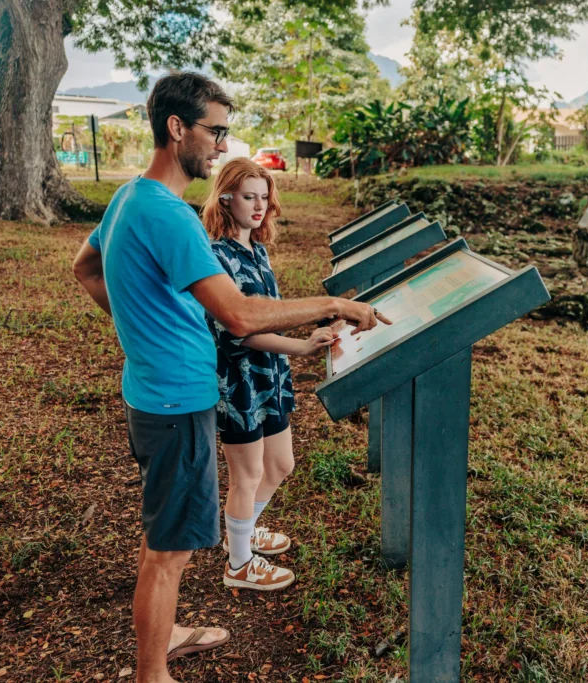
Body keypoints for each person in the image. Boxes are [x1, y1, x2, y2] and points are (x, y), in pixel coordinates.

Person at [72, 72, 388, 683]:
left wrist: (147, 327)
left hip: (152, 390)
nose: (221, 143)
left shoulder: (128, 198)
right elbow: (240, 313)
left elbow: (86, 268)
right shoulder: (171, 216)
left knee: (168, 539)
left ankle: (164, 639)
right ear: (176, 128)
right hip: (178, 400)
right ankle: (151, 674)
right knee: (168, 552)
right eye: (214, 130)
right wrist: (335, 306)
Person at [200, 158, 335, 591]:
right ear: (225, 198)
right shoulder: (217, 255)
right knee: (248, 474)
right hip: (239, 379)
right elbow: (243, 330)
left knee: (280, 464)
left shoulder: (255, 248)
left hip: (269, 376)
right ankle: (239, 565)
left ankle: (242, 531)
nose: (259, 206)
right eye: (248, 197)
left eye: (263, 197)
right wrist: (303, 345)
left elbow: (268, 313)